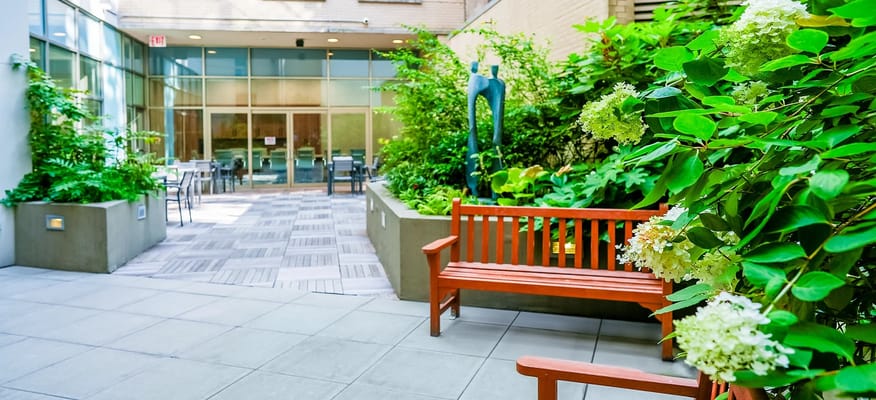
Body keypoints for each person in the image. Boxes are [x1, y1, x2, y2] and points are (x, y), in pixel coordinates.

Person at [466, 61, 506, 197]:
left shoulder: (499, 84)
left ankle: (496, 190)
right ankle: (474, 188)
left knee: (497, 139)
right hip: (477, 82)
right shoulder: (474, 80)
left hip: (495, 87)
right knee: (472, 131)